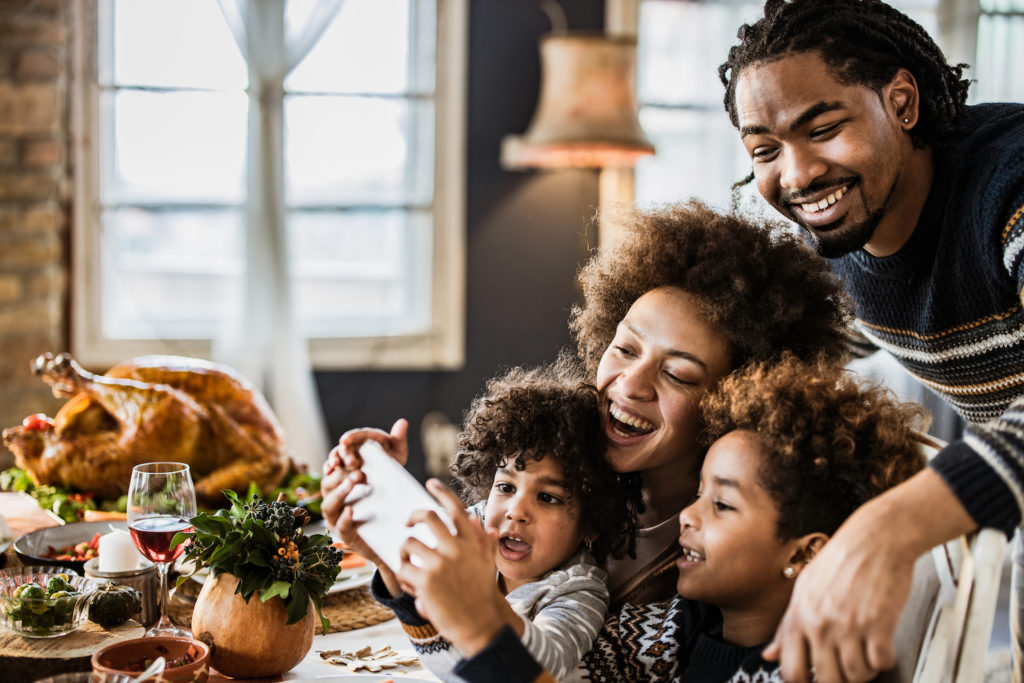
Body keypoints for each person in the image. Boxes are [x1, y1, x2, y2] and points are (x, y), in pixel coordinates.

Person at [321, 199, 853, 610]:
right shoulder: (569, 464)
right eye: (623, 349)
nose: (630, 383)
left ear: (737, 398)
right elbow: (467, 560)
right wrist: (382, 523)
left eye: (677, 374)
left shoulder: (721, 548)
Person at [716, 1, 1024, 680]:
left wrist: (886, 528)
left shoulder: (1012, 190)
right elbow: (776, 372)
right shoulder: (835, 246)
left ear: (903, 102)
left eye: (822, 128)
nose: (795, 177)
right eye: (764, 150)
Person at [392, 353, 928, 682]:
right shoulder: (666, 630)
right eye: (698, 494)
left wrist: (477, 617)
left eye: (721, 504)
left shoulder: (814, 669)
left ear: (805, 551)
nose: (688, 516)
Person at [338, 360, 636, 682]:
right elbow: (434, 644)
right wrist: (382, 535)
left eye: (547, 497)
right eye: (506, 487)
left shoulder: (578, 589)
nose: (516, 511)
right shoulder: (475, 528)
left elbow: (543, 666)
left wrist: (482, 599)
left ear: (591, 521)